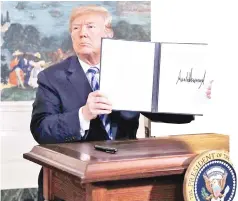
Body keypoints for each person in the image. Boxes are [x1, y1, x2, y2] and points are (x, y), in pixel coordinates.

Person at [30, 5, 211, 201]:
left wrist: (194, 96)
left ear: (108, 33)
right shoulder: (51, 77)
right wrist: (83, 114)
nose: (82, 33)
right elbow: (41, 130)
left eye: (90, 27)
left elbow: (159, 108)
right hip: (70, 182)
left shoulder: (130, 71)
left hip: (126, 178)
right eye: (76, 28)